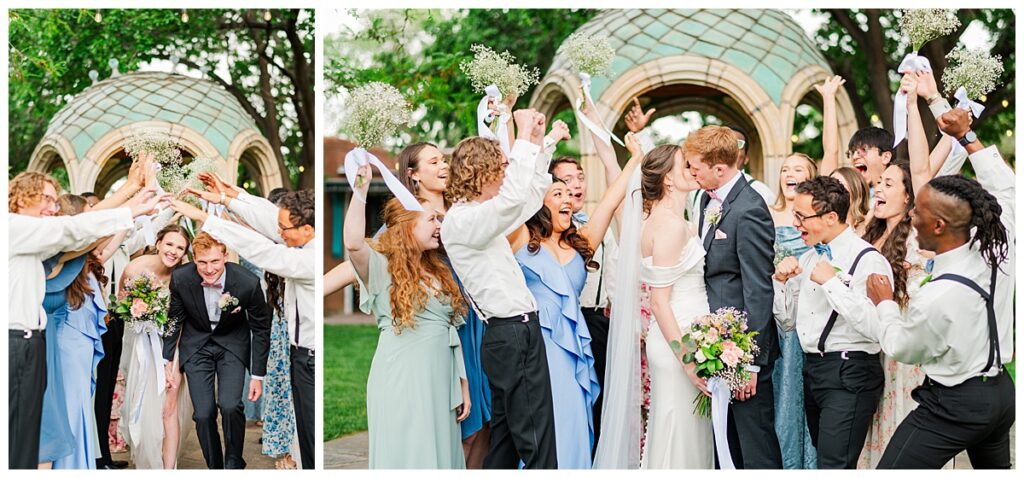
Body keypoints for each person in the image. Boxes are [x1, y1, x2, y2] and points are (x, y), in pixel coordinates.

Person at [857, 108, 1015, 469]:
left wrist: (884, 304)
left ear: (940, 226)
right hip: (1003, 395)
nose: (912, 217)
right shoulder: (1001, 250)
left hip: (953, 406)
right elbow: (1007, 191)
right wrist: (967, 137)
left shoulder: (936, 295)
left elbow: (901, 347)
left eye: (920, 213)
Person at [8, 164, 165, 469]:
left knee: (32, 434)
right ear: (23, 197)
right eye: (48, 200)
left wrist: (130, 188)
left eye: (56, 202)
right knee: (16, 433)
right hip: (15, 344)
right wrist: (130, 209)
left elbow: (78, 225)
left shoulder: (35, 240)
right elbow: (73, 228)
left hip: (32, 344)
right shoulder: (13, 227)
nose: (54, 209)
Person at [507, 127, 640, 469]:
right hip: (537, 347)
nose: (567, 198)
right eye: (557, 193)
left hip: (575, 350)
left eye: (570, 192)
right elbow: (513, 192)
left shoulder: (581, 243)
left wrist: (635, 159)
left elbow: (611, 200)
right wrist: (529, 135)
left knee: (577, 422)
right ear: (539, 201)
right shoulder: (520, 239)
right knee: (543, 424)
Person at [440, 109, 558, 469]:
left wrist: (536, 144)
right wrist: (521, 134)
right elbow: (512, 201)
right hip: (511, 335)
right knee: (536, 440)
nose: (508, 173)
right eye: (503, 167)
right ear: (482, 173)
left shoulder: (481, 216)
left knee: (505, 442)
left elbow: (528, 200)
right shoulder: (463, 222)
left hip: (514, 335)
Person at [174, 183, 316, 470]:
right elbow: (270, 217)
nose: (278, 233)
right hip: (295, 353)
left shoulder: (305, 258)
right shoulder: (300, 237)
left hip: (309, 355)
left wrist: (206, 218)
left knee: (309, 429)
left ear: (307, 230)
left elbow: (262, 250)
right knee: (204, 413)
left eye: (284, 229)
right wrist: (230, 197)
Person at [346, 176, 471, 467]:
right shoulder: (381, 266)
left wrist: (462, 384)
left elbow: (451, 329)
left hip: (441, 378)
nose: (440, 226)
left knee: (440, 451)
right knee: (410, 450)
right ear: (407, 224)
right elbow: (353, 244)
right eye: (432, 220)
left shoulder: (438, 270)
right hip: (402, 377)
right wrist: (360, 189)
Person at [772, 176, 893, 468]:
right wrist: (781, 284)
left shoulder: (868, 259)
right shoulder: (811, 257)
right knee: (825, 462)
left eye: (802, 216)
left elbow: (877, 328)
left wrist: (832, 284)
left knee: (834, 465)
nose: (795, 222)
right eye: (795, 214)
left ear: (830, 217)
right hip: (814, 371)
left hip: (850, 372)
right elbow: (789, 322)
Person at [687, 125, 780, 468]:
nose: (691, 172)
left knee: (755, 447)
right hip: (716, 345)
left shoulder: (749, 209)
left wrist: (750, 362)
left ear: (720, 168)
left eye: (695, 167)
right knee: (728, 449)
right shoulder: (704, 201)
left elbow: (758, 290)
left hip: (741, 351)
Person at [634, 143, 715, 468]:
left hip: (689, 340)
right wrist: (688, 362)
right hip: (677, 345)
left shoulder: (674, 219)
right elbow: (659, 301)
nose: (694, 169)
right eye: (686, 165)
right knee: (677, 435)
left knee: (688, 434)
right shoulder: (668, 225)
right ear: (667, 179)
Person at [161, 232, 270, 469]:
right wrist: (166, 360)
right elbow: (174, 320)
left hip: (231, 344)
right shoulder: (181, 278)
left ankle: (233, 462)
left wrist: (258, 375)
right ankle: (215, 466)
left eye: (215, 262)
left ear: (226, 256)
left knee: (230, 405)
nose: (209, 269)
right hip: (197, 346)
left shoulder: (247, 282)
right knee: (202, 413)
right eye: (202, 262)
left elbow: (261, 328)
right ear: (193, 258)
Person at [117, 224, 193, 469]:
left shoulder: (183, 276)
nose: (173, 251)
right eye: (169, 244)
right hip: (142, 346)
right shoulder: (135, 268)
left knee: (168, 406)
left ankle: (168, 468)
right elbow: (120, 301)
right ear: (159, 242)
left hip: (174, 345)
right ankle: (148, 461)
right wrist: (138, 315)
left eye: (180, 248)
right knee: (145, 402)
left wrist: (175, 363)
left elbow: (184, 321)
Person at [768, 153, 819, 469]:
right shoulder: (768, 215)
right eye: (785, 169)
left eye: (798, 169)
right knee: (784, 393)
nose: (789, 173)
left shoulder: (817, 218)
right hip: (781, 316)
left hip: (812, 312)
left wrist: (828, 100)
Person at [830, 167, 872, 234]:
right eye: (829, 185)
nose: (831, 190)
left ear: (857, 192)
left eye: (840, 185)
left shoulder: (868, 228)